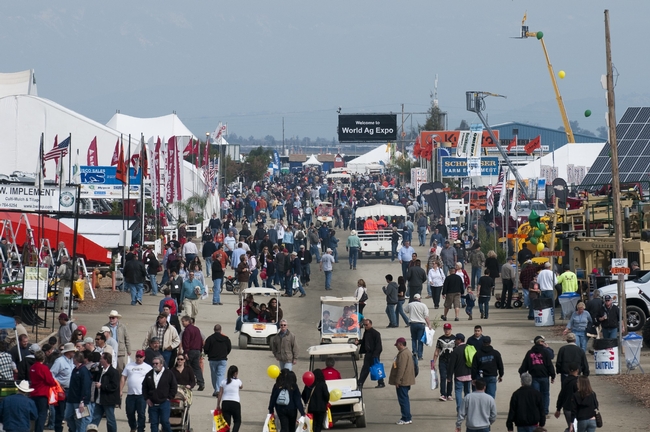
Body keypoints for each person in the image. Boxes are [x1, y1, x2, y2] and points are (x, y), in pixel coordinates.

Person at [519, 335, 556, 416]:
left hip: (534, 376)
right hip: (544, 376)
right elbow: (549, 364)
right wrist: (552, 375)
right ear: (539, 342)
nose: (544, 343)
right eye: (543, 341)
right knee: (545, 394)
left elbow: (524, 366)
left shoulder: (530, 353)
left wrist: (522, 375)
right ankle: (545, 412)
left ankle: (536, 411)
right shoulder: (545, 352)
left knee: (535, 395)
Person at [142, 355, 178, 432]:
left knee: (165, 421)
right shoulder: (149, 374)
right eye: (153, 363)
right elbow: (144, 387)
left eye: (156, 363)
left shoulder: (168, 373)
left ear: (161, 364)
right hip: (152, 403)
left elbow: (174, 386)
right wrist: (147, 399)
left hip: (164, 402)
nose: (155, 365)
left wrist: (169, 397)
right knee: (154, 423)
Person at [120, 350, 152, 432]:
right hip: (130, 394)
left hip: (141, 395)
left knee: (141, 413)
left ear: (144, 357)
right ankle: (133, 427)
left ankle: (141, 429)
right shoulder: (129, 366)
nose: (139, 358)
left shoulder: (148, 367)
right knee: (129, 413)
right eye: (137, 356)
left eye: (140, 357)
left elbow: (151, 380)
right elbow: (123, 378)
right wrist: (120, 390)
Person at [389, 337, 417, 425]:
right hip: (406, 380)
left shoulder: (403, 354)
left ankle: (405, 418)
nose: (396, 347)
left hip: (403, 381)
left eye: (397, 345)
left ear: (401, 344)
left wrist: (397, 381)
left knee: (403, 400)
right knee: (405, 399)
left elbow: (401, 368)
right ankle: (407, 417)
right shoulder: (407, 352)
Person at [90, 353, 120, 432]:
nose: (100, 360)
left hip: (108, 400)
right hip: (99, 399)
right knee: (95, 418)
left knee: (110, 420)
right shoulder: (100, 371)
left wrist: (102, 386)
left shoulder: (114, 372)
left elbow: (114, 386)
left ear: (106, 360)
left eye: (101, 358)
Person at [29, 349, 58, 432]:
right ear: (43, 358)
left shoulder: (32, 367)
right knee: (42, 414)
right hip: (42, 394)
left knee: (36, 413)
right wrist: (55, 383)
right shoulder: (44, 368)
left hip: (33, 393)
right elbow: (50, 381)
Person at [65, 351, 93, 432]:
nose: (72, 359)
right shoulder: (75, 369)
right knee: (68, 416)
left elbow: (86, 387)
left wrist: (82, 401)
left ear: (76, 359)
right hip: (71, 399)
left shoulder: (84, 371)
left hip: (79, 400)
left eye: (74, 358)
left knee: (80, 420)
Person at [204, 324, 232, 397]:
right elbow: (229, 348)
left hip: (212, 360)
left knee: (214, 375)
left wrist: (208, 353)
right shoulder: (226, 339)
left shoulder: (210, 338)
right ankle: (217, 389)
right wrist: (225, 353)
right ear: (220, 330)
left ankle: (217, 390)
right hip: (223, 359)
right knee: (220, 375)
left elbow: (206, 349)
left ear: (214, 330)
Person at [356, 319, 385, 389]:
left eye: (367, 325)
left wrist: (375, 355)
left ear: (371, 324)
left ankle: (381, 383)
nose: (365, 326)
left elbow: (379, 346)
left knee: (377, 369)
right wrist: (359, 342)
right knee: (365, 369)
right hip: (368, 354)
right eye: (364, 325)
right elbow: (365, 341)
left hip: (374, 355)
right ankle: (360, 383)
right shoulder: (366, 332)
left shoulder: (376, 334)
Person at [448, 333, 472, 413]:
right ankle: (468, 409)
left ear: (459, 340)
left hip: (459, 375)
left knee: (458, 392)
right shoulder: (469, 348)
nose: (455, 341)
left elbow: (451, 365)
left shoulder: (456, 351)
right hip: (469, 375)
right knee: (467, 392)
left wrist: (449, 376)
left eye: (456, 339)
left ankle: (460, 410)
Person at [180, 315, 205, 391]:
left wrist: (186, 352)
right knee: (197, 368)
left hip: (190, 351)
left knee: (187, 368)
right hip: (197, 351)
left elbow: (186, 342)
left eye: (183, 321)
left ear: (188, 321)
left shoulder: (187, 330)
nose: (182, 323)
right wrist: (200, 350)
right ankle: (201, 383)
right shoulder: (197, 329)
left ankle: (188, 384)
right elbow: (200, 340)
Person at [404, 293, 431, 360]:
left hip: (413, 323)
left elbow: (405, 310)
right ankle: (420, 355)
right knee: (420, 340)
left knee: (413, 338)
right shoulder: (423, 305)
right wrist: (429, 325)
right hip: (421, 324)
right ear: (420, 299)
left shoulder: (410, 304)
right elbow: (426, 316)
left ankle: (414, 352)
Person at [434, 323, 456, 401]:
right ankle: (443, 394)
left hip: (451, 361)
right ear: (444, 329)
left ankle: (449, 394)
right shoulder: (440, 339)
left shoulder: (454, 338)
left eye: (448, 329)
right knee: (443, 377)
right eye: (445, 329)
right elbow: (437, 350)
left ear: (451, 329)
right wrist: (434, 361)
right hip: (442, 360)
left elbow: (457, 351)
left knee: (450, 377)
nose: (447, 331)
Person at [217, 365, 243, 432]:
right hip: (235, 403)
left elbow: (220, 394)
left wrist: (218, 405)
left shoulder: (223, 381)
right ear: (235, 373)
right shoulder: (238, 381)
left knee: (226, 423)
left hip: (225, 403)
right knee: (237, 421)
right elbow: (241, 387)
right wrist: (236, 377)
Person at [104, 310, 131, 374]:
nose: (111, 319)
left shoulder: (123, 327)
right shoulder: (105, 327)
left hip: (120, 351)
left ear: (117, 318)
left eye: (113, 318)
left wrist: (128, 349)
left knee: (120, 368)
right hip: (109, 350)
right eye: (110, 318)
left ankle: (119, 382)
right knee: (109, 367)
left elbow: (127, 338)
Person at [555, 363, 580, 432]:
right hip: (576, 408)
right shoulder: (577, 382)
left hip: (567, 408)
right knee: (576, 427)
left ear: (568, 370)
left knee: (571, 426)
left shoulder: (565, 381)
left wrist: (558, 408)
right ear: (577, 370)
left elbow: (562, 395)